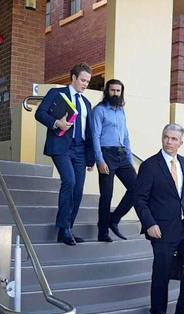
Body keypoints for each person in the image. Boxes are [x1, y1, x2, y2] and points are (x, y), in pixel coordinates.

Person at [134, 123, 184, 314]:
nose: (169, 142)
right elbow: (139, 198)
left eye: (174, 139)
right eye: (166, 137)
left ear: (180, 143)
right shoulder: (150, 166)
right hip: (161, 229)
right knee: (162, 273)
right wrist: (149, 224)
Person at [35, 63, 95, 246]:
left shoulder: (86, 103)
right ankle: (63, 228)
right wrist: (56, 123)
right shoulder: (56, 93)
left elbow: (90, 131)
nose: (85, 84)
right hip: (61, 146)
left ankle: (68, 228)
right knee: (69, 181)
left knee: (78, 190)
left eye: (88, 81)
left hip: (81, 150)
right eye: (83, 80)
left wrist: (91, 157)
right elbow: (40, 113)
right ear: (74, 78)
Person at [91, 79, 136, 242]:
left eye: (118, 91)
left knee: (137, 188)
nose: (115, 93)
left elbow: (125, 136)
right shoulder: (99, 110)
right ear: (107, 91)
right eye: (112, 90)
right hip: (106, 155)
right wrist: (99, 160)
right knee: (106, 195)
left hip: (122, 155)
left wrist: (129, 160)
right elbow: (94, 136)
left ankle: (114, 219)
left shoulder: (121, 111)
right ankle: (102, 232)